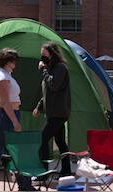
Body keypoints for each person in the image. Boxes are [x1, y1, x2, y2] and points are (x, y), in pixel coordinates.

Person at [33, 42, 71, 176]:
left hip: (59, 113)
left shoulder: (60, 68)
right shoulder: (50, 69)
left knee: (42, 138)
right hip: (52, 113)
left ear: (52, 54)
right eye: (41, 55)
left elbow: (54, 85)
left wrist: (43, 70)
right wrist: (39, 107)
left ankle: (43, 173)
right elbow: (47, 93)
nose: (42, 57)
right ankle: (66, 171)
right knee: (60, 142)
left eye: (44, 55)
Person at [0, 48, 22, 168]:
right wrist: (15, 122)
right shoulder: (2, 77)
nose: (15, 63)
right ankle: (24, 183)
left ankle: (23, 183)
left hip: (4, 115)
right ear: (7, 61)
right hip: (5, 116)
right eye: (14, 60)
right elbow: (5, 102)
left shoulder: (3, 75)